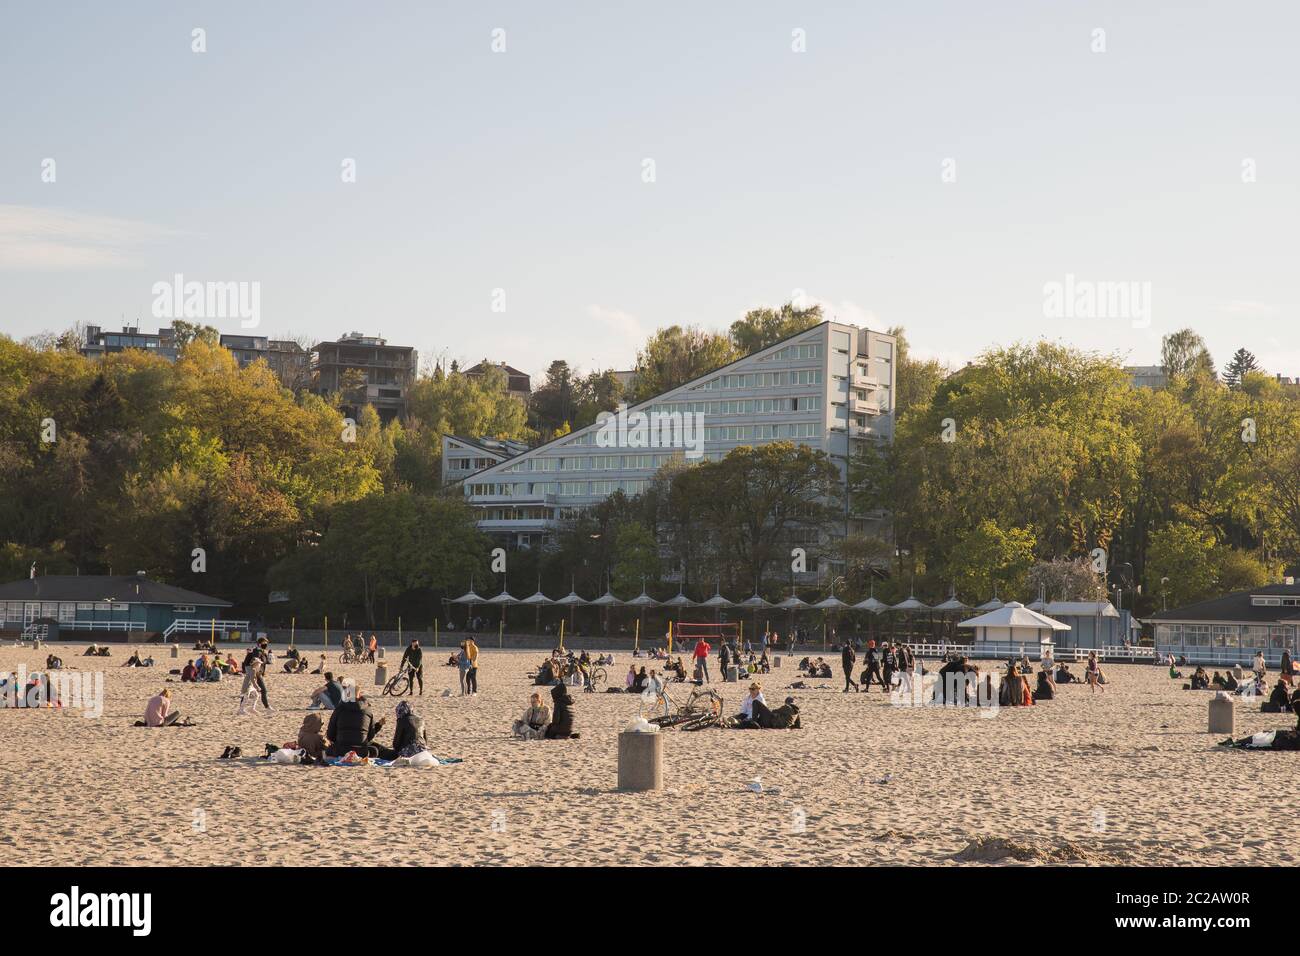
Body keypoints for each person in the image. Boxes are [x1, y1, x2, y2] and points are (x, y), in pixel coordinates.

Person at [326, 691, 385, 757]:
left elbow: (330, 735)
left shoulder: (339, 709)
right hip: (362, 751)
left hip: (341, 751)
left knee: (328, 749)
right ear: (359, 696)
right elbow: (370, 736)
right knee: (375, 750)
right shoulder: (367, 710)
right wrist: (379, 725)